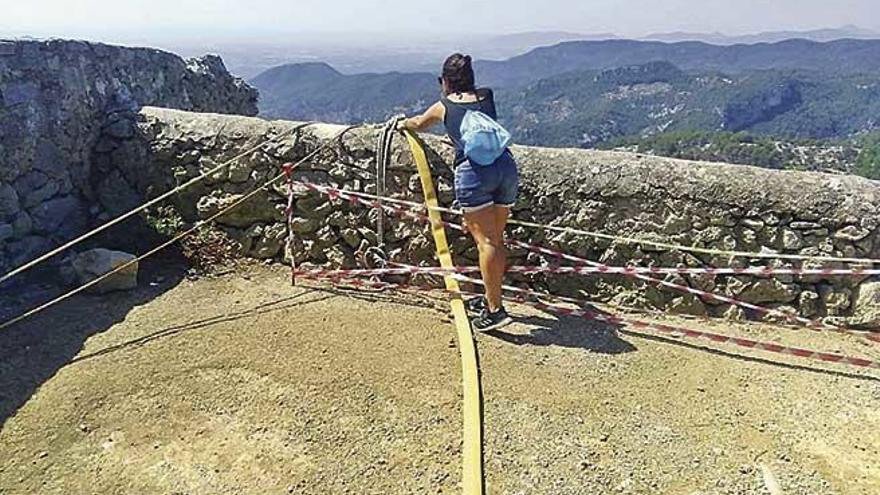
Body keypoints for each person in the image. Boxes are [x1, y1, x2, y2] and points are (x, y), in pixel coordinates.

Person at [398, 53, 519, 332]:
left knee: (486, 243)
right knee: (496, 241)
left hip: (475, 174)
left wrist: (402, 123)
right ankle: (492, 298)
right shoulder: (486, 96)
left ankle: (495, 311)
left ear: (446, 82)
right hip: (506, 167)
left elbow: (417, 123)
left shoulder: (443, 106)